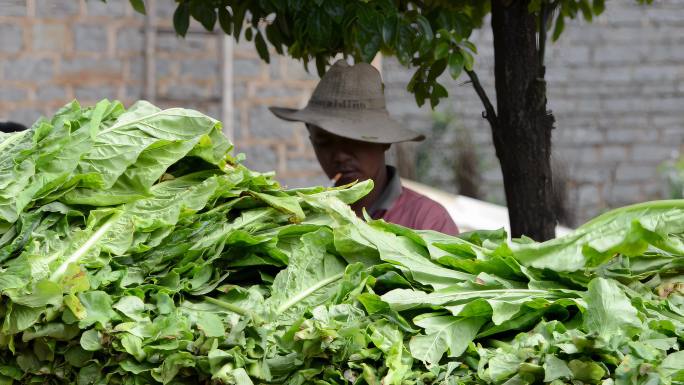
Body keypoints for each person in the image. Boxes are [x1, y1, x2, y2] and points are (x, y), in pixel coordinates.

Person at [269, 60, 459, 235]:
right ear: (312, 141)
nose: (340, 156)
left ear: (385, 142)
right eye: (324, 143)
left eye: (353, 140)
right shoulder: (302, 221)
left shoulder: (427, 222)